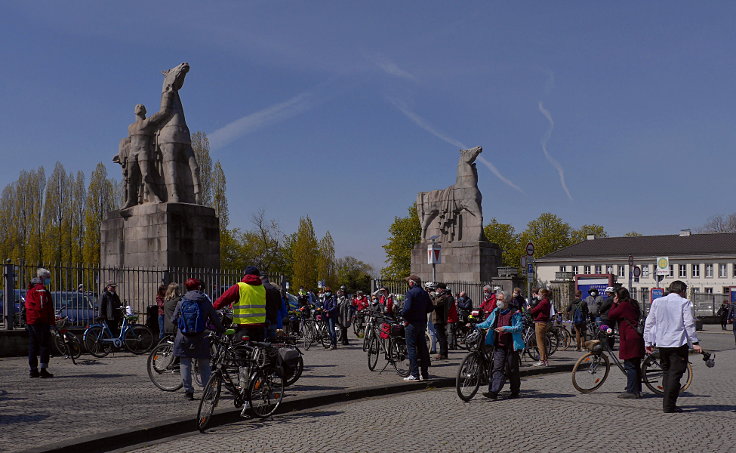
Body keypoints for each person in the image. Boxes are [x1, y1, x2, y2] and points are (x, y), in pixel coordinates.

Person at [644, 280, 702, 413]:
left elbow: (649, 323)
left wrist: (647, 342)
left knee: (666, 372)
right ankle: (669, 405)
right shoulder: (684, 303)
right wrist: (695, 342)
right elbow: (689, 324)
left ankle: (667, 402)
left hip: (662, 343)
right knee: (675, 374)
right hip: (677, 343)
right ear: (682, 291)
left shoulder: (657, 302)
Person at [172, 278, 224, 400]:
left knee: (185, 364)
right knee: (204, 365)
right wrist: (221, 329)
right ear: (199, 287)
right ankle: (208, 391)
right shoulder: (204, 301)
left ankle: (188, 392)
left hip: (183, 336)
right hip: (201, 336)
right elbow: (215, 319)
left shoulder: (182, 300)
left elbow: (173, 319)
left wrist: (182, 325)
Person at [475, 291, 524, 399]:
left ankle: (515, 390)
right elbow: (487, 323)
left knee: (511, 369)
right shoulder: (496, 311)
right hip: (499, 344)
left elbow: (519, 327)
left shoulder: (515, 312)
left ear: (506, 301)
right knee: (497, 368)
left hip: (511, 344)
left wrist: (505, 328)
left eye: (500, 299)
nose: (498, 302)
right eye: (497, 299)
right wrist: (476, 325)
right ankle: (493, 391)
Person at [608, 287, 645, 398]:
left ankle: (632, 391)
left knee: (630, 365)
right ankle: (637, 389)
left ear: (618, 296)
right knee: (636, 365)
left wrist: (614, 304)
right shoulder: (633, 303)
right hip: (636, 336)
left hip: (629, 337)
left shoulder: (624, 305)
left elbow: (611, 315)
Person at [214, 266, 267, 342]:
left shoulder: (239, 286)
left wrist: (213, 308)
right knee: (258, 348)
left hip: (243, 325)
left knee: (240, 351)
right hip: (260, 325)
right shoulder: (262, 288)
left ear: (245, 275)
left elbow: (223, 299)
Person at [401, 275, 434, 381]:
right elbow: (431, 307)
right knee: (423, 349)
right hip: (422, 323)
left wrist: (402, 314)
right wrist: (421, 312)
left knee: (411, 348)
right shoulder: (424, 293)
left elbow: (407, 308)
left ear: (412, 283)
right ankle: (425, 374)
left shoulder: (411, 293)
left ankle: (414, 374)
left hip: (411, 323)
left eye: (408, 282)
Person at [25, 268, 55, 378]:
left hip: (31, 320)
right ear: (42, 278)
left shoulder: (30, 290)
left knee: (32, 345)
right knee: (44, 345)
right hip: (41, 320)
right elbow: (43, 307)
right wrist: (51, 321)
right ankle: (43, 369)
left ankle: (33, 370)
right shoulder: (41, 290)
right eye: (48, 277)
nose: (49, 280)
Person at [530, 288, 551, 366]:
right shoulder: (547, 301)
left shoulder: (543, 302)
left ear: (543, 294)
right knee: (543, 342)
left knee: (540, 343)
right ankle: (545, 360)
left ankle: (542, 360)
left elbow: (534, 310)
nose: (538, 295)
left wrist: (530, 309)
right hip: (544, 323)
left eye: (539, 293)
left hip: (540, 323)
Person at [431, 283, 453, 360]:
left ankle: (443, 353)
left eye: (437, 289)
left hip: (439, 319)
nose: (436, 290)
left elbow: (434, 304)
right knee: (440, 337)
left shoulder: (443, 297)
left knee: (441, 337)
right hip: (438, 319)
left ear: (441, 289)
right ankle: (442, 353)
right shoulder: (440, 296)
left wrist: (432, 297)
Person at [261, 275, 281, 339]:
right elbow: (279, 305)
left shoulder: (260, 289)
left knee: (262, 341)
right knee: (272, 341)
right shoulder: (275, 290)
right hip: (273, 317)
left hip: (263, 317)